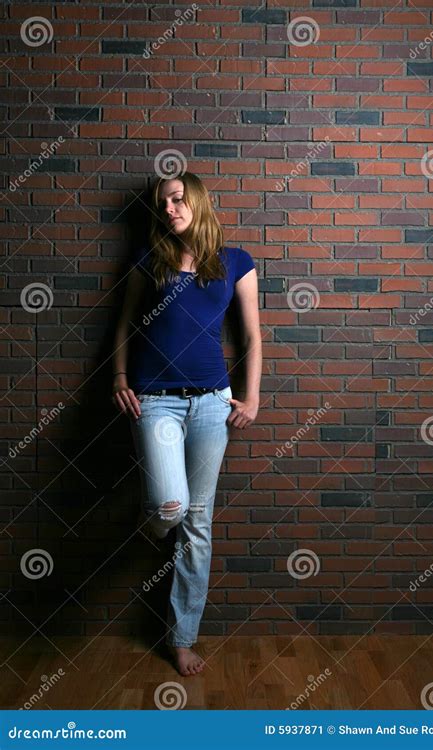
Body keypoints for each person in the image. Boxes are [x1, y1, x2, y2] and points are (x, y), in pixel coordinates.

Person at [111, 172, 261, 676]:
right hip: (155, 404)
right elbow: (124, 324)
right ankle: (151, 519)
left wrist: (252, 396)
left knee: (198, 523)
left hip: (212, 404)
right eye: (164, 204)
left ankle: (181, 637)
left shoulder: (235, 261)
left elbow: (252, 337)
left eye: (178, 200)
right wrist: (119, 375)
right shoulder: (147, 260)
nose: (170, 210)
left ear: (197, 200)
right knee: (170, 507)